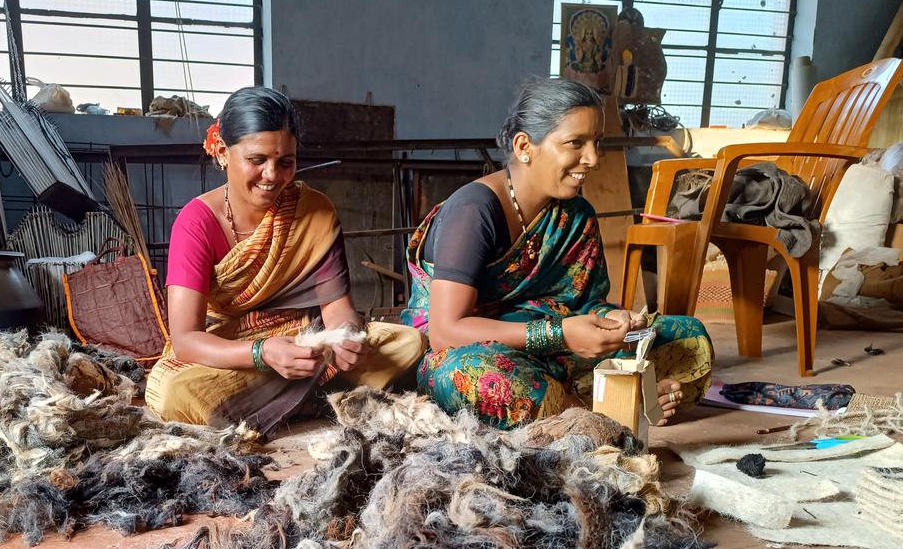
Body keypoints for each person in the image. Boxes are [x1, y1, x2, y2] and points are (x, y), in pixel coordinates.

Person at [400, 77, 712, 429]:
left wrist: (616, 321)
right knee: (474, 377)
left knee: (688, 336)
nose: (592, 159)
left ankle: (592, 400)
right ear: (524, 146)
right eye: (575, 143)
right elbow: (445, 330)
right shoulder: (473, 211)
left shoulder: (576, 214)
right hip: (471, 351)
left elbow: (584, 306)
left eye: (597, 143)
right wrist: (561, 334)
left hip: (557, 350)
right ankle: (612, 407)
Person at [145, 86, 425, 435]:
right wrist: (263, 353)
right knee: (176, 393)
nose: (273, 176)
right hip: (235, 354)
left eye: (286, 162)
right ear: (221, 152)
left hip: (303, 344)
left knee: (408, 342)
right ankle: (314, 398)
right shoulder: (196, 223)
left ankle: (284, 400)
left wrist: (345, 339)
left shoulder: (315, 211)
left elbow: (337, 310)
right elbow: (186, 340)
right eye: (257, 160)